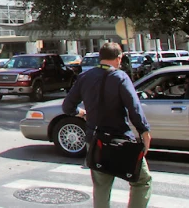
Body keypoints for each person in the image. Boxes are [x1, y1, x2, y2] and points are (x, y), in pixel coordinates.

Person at [62, 42, 151, 208]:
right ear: (119, 58)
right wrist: (144, 131)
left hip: (96, 141)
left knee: (101, 186)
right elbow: (134, 107)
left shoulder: (85, 77)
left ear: (100, 57)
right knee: (142, 181)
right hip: (122, 141)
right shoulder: (121, 77)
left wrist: (81, 113)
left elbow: (67, 107)